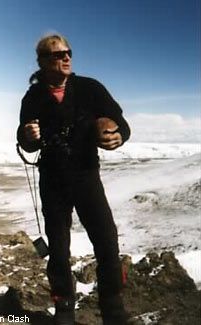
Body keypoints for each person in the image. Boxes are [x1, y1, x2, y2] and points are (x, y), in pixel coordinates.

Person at [17, 34, 131, 325]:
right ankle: (64, 308)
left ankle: (113, 307)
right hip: (52, 180)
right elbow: (26, 139)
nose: (66, 57)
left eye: (68, 52)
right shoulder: (32, 96)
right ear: (42, 62)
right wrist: (27, 137)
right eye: (57, 54)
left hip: (86, 177)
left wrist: (119, 134)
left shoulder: (90, 88)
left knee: (106, 241)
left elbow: (121, 122)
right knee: (57, 247)